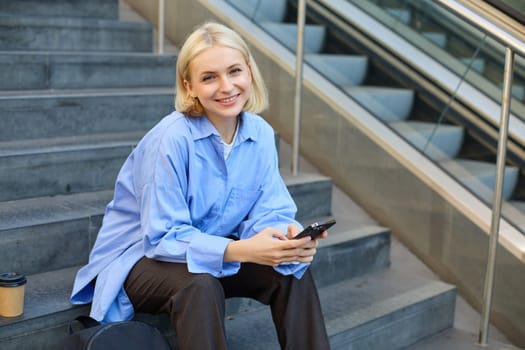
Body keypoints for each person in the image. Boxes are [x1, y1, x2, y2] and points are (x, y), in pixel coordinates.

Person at [70, 21, 330, 349]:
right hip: (141, 259)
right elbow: (161, 238)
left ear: (249, 72)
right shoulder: (171, 139)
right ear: (188, 85)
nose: (226, 87)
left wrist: (286, 241)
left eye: (234, 71)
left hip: (212, 251)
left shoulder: (260, 134)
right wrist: (241, 249)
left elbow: (270, 209)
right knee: (201, 285)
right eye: (209, 77)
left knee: (291, 271)